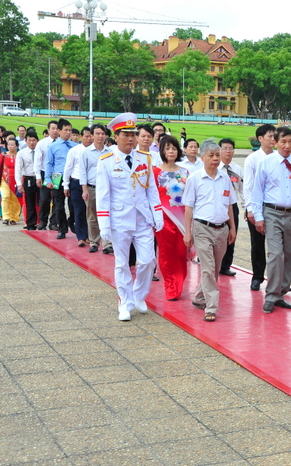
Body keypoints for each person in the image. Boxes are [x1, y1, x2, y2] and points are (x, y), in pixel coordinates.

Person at [96, 112, 163, 321]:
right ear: (116, 137)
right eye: (126, 134)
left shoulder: (145, 158)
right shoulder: (106, 160)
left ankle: (139, 295)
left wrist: (157, 214)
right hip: (119, 219)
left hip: (142, 218)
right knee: (122, 264)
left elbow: (151, 190)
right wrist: (104, 223)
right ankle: (125, 302)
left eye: (133, 134)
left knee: (147, 261)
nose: (131, 139)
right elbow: (103, 195)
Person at [250, 127, 291, 314]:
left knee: (289, 255)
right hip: (272, 213)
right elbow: (257, 192)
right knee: (276, 254)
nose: (287, 145)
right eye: (283, 141)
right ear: (275, 143)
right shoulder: (266, 163)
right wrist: (259, 217)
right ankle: (270, 296)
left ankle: (281, 293)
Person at [183, 141, 236, 321]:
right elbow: (188, 208)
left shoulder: (225, 178)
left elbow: (229, 206)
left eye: (217, 155)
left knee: (214, 269)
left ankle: (199, 297)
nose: (215, 158)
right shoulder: (195, 178)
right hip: (202, 228)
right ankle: (211, 307)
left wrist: (232, 228)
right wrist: (188, 232)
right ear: (202, 157)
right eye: (211, 155)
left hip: (221, 229)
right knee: (207, 268)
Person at [153, 135, 190, 301]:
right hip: (163, 219)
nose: (170, 151)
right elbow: (152, 197)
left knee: (181, 252)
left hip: (183, 219)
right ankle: (170, 287)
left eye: (174, 148)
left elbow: (190, 197)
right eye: (167, 148)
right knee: (167, 254)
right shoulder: (155, 172)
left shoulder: (185, 172)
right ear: (162, 150)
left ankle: (179, 282)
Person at [243, 124, 276, 291]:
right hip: (257, 207)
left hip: (274, 208)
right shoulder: (253, 159)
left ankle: (277, 279)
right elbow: (247, 186)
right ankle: (257, 277)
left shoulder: (279, 157)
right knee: (257, 244)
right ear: (260, 139)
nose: (273, 139)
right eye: (270, 136)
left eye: (274, 136)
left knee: (277, 246)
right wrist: (250, 209)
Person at [80, 124, 112, 253]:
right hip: (92, 187)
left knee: (107, 214)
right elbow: (83, 172)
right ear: (92, 135)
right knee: (92, 216)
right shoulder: (86, 152)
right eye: (97, 133)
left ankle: (107, 243)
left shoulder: (110, 152)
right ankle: (94, 242)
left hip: (106, 188)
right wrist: (84, 189)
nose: (100, 136)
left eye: (102, 134)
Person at [45, 119, 77, 239]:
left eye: (70, 130)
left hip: (72, 177)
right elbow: (48, 163)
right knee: (59, 205)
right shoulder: (52, 146)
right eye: (66, 130)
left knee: (73, 203)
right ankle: (62, 229)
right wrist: (48, 180)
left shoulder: (75, 146)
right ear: (59, 131)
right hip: (58, 176)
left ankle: (71, 221)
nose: (68, 133)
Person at [218, 138, 244, 277]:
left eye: (230, 149)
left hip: (232, 206)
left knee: (231, 235)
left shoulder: (237, 169)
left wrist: (246, 207)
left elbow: (242, 190)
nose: (228, 151)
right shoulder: (215, 167)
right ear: (219, 150)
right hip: (217, 204)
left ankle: (226, 265)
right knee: (216, 234)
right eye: (225, 148)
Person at [64, 126, 93, 247]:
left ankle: (90, 235)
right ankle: (81, 236)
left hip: (91, 184)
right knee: (79, 210)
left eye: (91, 136)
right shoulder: (74, 150)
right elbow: (68, 168)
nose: (89, 139)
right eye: (86, 136)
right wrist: (65, 185)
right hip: (76, 183)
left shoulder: (96, 151)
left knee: (90, 211)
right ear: (81, 137)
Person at [34, 120, 60, 230]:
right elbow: (37, 161)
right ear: (48, 130)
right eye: (52, 128)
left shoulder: (62, 143)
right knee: (44, 199)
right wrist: (38, 177)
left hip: (57, 174)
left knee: (57, 199)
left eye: (56, 128)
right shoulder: (42, 143)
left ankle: (54, 222)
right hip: (45, 172)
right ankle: (43, 221)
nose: (55, 130)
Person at [0, 136, 21, 225]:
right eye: (9, 145)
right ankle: (6, 217)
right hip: (5, 179)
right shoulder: (3, 155)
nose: (10, 146)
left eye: (12, 145)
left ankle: (14, 217)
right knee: (5, 197)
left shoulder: (20, 155)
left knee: (15, 199)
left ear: (17, 146)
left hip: (16, 180)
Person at [16, 129, 40, 229]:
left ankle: (40, 222)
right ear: (26, 141)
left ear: (37, 141)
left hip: (40, 178)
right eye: (29, 140)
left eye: (33, 140)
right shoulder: (22, 153)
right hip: (28, 178)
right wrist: (19, 184)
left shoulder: (41, 151)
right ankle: (30, 224)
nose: (31, 142)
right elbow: (18, 169)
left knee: (41, 202)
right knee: (29, 202)